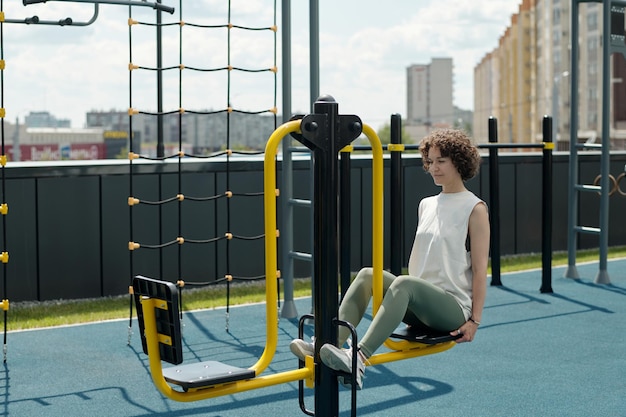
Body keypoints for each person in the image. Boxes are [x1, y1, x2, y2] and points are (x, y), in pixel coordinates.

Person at [289, 128, 490, 390]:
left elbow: (479, 270)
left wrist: (474, 321)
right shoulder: (427, 204)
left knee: (404, 283)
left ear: (459, 162)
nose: (434, 168)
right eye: (430, 161)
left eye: (442, 161)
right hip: (419, 306)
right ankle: (329, 344)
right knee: (367, 274)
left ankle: (358, 359)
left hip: (452, 308)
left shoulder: (474, 208)